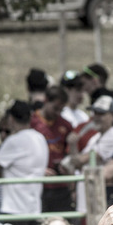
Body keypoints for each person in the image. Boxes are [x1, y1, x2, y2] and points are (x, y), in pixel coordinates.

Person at [31, 86, 74, 214]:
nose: (57, 113)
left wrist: (67, 167)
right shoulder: (32, 122)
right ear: (46, 101)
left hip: (61, 185)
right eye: (55, 108)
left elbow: (71, 154)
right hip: (40, 185)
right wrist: (39, 170)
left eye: (61, 110)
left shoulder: (66, 125)